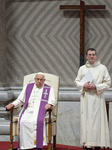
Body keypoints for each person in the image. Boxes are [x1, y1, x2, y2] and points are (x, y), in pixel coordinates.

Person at [6, 72, 56, 150]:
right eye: (38, 79)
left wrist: (49, 104)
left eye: (41, 80)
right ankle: (25, 146)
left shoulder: (49, 89)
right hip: (28, 110)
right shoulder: (28, 87)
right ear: (35, 79)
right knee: (23, 121)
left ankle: (37, 146)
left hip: (41, 110)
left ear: (44, 80)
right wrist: (12, 104)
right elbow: (20, 100)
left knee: (38, 121)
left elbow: (53, 101)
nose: (39, 81)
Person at [74, 48, 111, 150]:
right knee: (86, 121)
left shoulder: (102, 68)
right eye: (89, 54)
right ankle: (87, 145)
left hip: (97, 98)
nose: (91, 56)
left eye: (93, 54)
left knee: (97, 122)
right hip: (86, 99)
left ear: (96, 56)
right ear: (86, 56)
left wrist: (96, 87)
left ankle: (98, 144)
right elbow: (77, 82)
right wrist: (84, 85)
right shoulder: (82, 69)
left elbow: (108, 82)